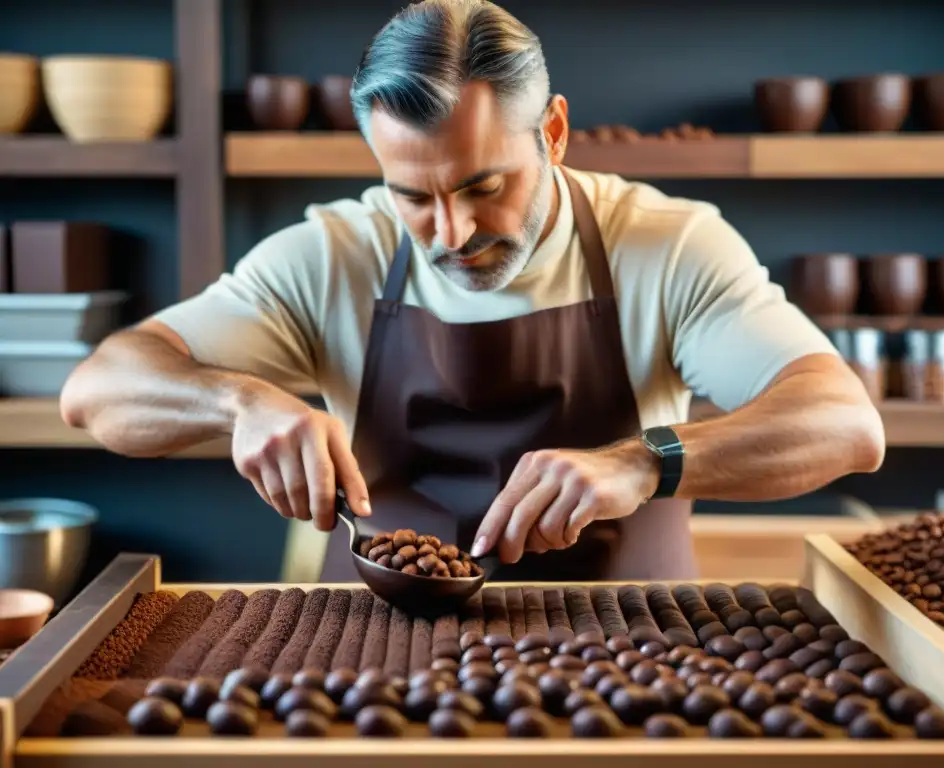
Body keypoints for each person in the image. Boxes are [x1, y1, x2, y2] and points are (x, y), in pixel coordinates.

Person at [59, 0, 885, 583]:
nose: (452, 232)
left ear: (554, 133)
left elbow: (845, 425)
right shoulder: (331, 254)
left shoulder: (667, 245)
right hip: (371, 663)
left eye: (486, 185)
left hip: (632, 651)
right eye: (413, 195)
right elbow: (97, 390)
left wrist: (647, 460)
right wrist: (240, 404)